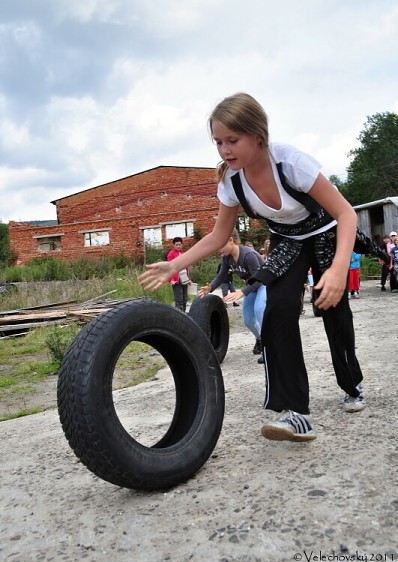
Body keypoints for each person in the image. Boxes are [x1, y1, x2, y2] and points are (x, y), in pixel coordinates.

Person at [139, 92, 387, 443]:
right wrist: (174, 264)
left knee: (333, 310)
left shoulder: (291, 164)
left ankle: (352, 385)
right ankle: (295, 413)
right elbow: (217, 236)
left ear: (258, 135)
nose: (225, 149)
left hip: (326, 233)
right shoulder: (231, 181)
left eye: (232, 140)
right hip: (287, 241)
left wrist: (335, 269)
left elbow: (345, 213)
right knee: (277, 312)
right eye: (218, 141)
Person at [200, 228, 266, 356]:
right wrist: (210, 287)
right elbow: (221, 276)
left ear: (231, 240)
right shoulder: (226, 258)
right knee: (248, 321)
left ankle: (268, 347)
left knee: (259, 309)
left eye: (220, 245)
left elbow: (259, 278)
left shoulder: (248, 255)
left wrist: (242, 292)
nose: (218, 249)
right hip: (251, 286)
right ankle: (260, 339)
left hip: (263, 284)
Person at [166, 237, 191, 312]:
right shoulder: (171, 254)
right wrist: (171, 279)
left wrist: (189, 279)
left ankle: (184, 315)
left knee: (185, 298)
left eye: (180, 244)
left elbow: (187, 268)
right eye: (176, 245)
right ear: (173, 245)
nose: (178, 246)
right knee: (179, 299)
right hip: (176, 278)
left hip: (184, 277)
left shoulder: (183, 254)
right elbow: (170, 267)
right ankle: (179, 316)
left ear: (182, 245)